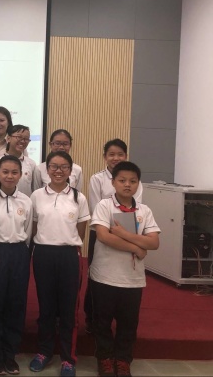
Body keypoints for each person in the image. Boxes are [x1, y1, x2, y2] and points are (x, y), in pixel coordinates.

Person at [90, 161, 160, 377]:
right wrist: (137, 247)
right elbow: (103, 236)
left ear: (138, 184)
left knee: (128, 324)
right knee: (101, 322)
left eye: (133, 181)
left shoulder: (144, 210)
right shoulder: (104, 206)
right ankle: (105, 359)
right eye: (122, 180)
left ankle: (122, 360)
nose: (127, 185)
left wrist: (123, 234)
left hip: (132, 279)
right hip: (104, 275)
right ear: (113, 182)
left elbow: (154, 242)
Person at [29, 151, 90, 377]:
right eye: (54, 166)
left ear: (70, 171)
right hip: (43, 254)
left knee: (68, 308)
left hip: (68, 255)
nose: (58, 171)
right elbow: (34, 226)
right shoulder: (36, 195)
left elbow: (81, 231)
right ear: (47, 170)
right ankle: (43, 352)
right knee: (46, 306)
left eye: (64, 167)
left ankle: (68, 358)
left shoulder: (78, 198)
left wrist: (68, 243)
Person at [84, 139, 144, 334]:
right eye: (111, 154)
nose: (115, 158)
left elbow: (134, 208)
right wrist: (110, 231)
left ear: (125, 156)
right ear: (105, 157)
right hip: (100, 232)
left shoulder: (135, 180)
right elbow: (95, 207)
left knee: (123, 274)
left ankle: (121, 317)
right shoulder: (97, 179)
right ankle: (92, 318)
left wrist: (122, 233)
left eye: (120, 154)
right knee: (96, 276)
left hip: (128, 232)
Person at [0, 155, 33, 375]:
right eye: (5, 172)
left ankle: (10, 354)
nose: (9, 176)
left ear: (20, 175)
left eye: (14, 172)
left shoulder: (26, 201)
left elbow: (28, 232)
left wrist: (22, 252)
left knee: (16, 303)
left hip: (19, 253)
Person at [4, 124, 36, 197]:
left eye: (26, 139)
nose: (23, 141)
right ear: (8, 138)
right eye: (19, 137)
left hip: (25, 203)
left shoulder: (31, 164)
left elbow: (35, 190)